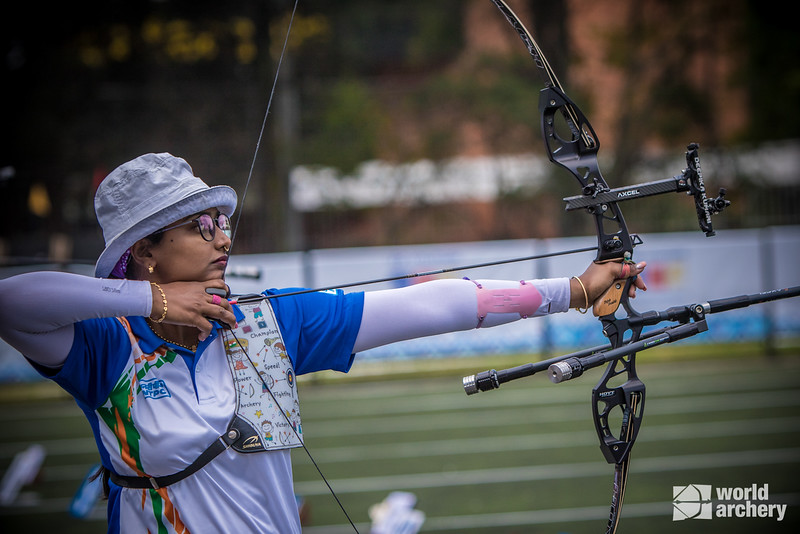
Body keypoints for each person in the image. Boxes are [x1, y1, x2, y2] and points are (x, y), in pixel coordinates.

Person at [0, 153, 646, 533]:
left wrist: (577, 290)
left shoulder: (267, 327)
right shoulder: (105, 352)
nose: (224, 239)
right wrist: (156, 303)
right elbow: (11, 301)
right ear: (144, 253)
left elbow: (431, 304)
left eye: (223, 221)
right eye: (201, 227)